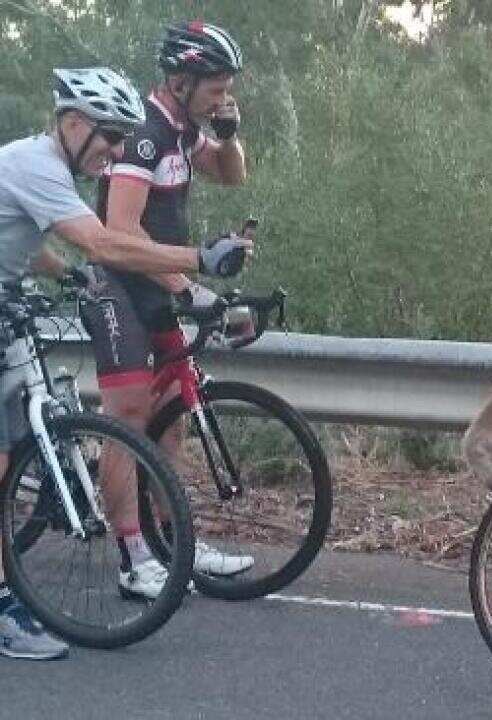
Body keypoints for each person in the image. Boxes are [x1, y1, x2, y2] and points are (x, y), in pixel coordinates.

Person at [0, 67, 251, 659]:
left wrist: (68, 273)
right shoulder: (38, 163)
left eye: (121, 139)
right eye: (109, 137)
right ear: (71, 123)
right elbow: (108, 241)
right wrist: (197, 259)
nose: (115, 152)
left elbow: (22, 240)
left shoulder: (48, 167)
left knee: (8, 455)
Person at [85, 21, 253, 600]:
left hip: (158, 286)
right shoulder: (145, 133)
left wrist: (227, 133)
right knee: (129, 421)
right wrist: (188, 286)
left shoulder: (183, 129)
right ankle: (134, 558)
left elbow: (232, 177)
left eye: (228, 85)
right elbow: (120, 234)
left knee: (172, 422)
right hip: (118, 287)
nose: (223, 95)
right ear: (180, 80)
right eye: (215, 86)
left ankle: (170, 542)